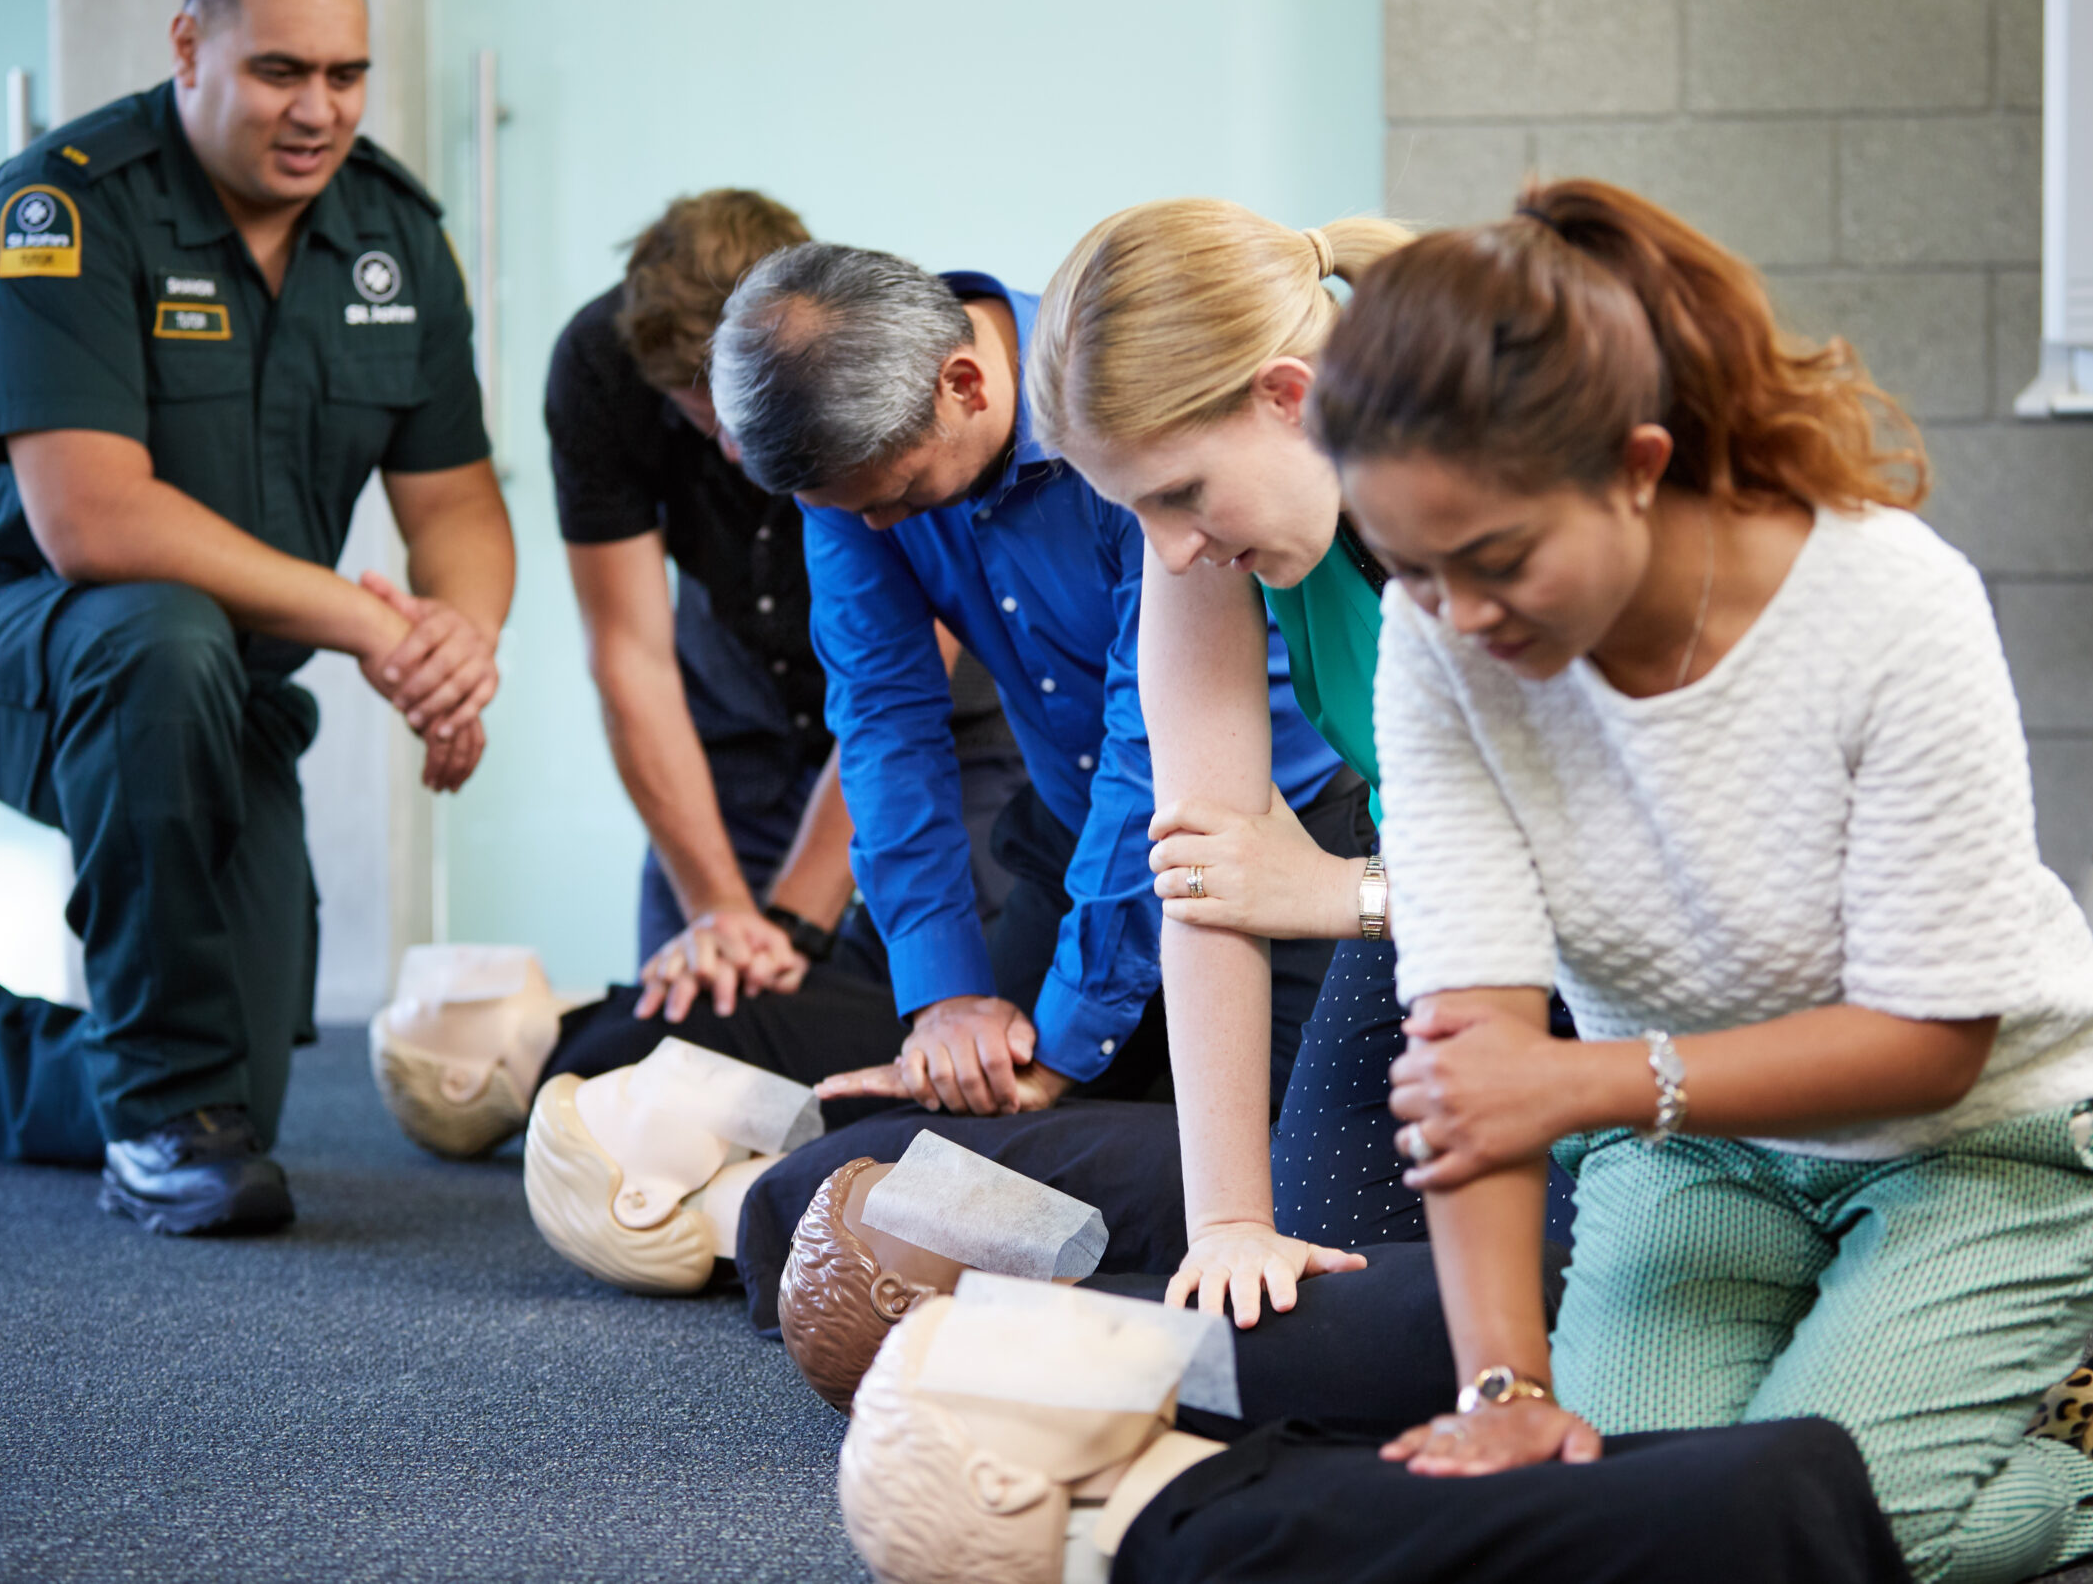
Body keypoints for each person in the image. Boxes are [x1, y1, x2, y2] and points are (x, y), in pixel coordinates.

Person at [1315, 179, 2093, 1582]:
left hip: (1994, 1142)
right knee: (1607, 1529)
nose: (1461, 615)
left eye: (1499, 558)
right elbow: (1471, 1043)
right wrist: (1505, 1398)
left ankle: (2065, 1454)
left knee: (1782, 1545)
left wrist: (1584, 1082)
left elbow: (1933, 1042)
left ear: (1638, 465)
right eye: (1411, 571)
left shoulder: (1891, 601)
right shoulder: (1441, 643)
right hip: (1704, 1152)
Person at [0, 0, 513, 1235]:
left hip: (221, 686)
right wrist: (369, 629)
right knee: (157, 630)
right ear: (190, 48)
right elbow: (94, 526)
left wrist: (458, 641)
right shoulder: (63, 207)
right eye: (281, 70)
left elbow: (458, 502)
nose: (319, 108)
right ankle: (156, 1124)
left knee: (235, 1085)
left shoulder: (394, 237)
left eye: (346, 73)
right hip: (9, 638)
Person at [1034, 199, 1574, 1333]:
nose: (1172, 548)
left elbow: (1632, 870)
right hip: (1427, 900)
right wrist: (1229, 1223)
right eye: (1138, 511)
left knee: (1561, 1291)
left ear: (1288, 398)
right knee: (1315, 1279)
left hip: (1614, 941)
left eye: (1180, 494)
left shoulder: (1513, 496)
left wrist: (1343, 896)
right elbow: (1207, 868)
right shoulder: (1206, 532)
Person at [703, 243, 1353, 1121]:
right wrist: (946, 1000)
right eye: (849, 510)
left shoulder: (1119, 406)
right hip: (1072, 828)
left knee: (1242, 1162)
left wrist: (1069, 1038)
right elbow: (886, 725)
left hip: (1282, 832)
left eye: (901, 495)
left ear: (964, 385)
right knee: (971, 1137)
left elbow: (1152, 745)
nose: (879, 526)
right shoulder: (854, 480)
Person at [546, 191, 1027, 1014]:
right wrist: (722, 909)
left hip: (950, 721)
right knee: (692, 1008)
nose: (736, 448)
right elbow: (630, 654)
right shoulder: (601, 363)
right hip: (736, 725)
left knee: (924, 1008)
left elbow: (895, 692)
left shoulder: (864, 354)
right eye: (712, 421)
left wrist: (796, 924)